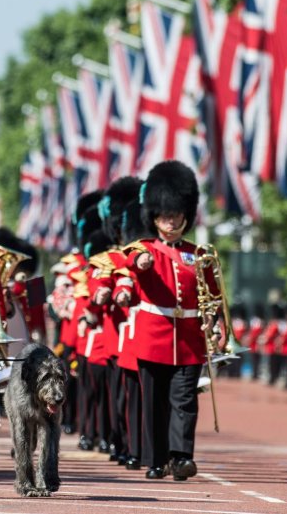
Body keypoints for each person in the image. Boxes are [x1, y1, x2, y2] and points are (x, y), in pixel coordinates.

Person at [123, 160, 210, 482]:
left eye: (175, 215)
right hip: (153, 337)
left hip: (189, 339)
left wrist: (214, 325)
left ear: (185, 214)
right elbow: (133, 262)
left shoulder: (199, 255)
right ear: (154, 217)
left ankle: (182, 456)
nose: (170, 221)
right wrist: (142, 261)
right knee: (155, 403)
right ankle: (156, 459)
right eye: (164, 216)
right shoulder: (144, 248)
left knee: (185, 402)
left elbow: (211, 296)